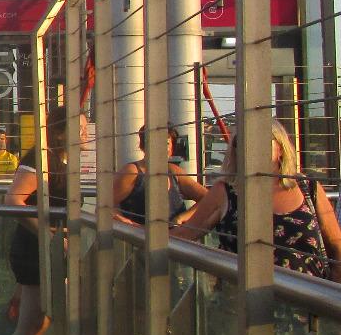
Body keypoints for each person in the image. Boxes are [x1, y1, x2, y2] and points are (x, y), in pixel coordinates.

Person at [173, 120, 341, 279]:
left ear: (281, 148)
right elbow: (184, 235)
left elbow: (336, 243)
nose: (251, 146)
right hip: (243, 302)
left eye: (261, 138)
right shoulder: (226, 192)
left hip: (309, 301)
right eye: (243, 141)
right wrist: (147, 233)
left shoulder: (307, 187)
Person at [0, 109, 69, 335]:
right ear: (59, 132)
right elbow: (14, 199)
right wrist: (49, 234)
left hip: (43, 249)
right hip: (35, 250)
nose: (85, 133)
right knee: (39, 322)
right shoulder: (40, 159)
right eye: (78, 127)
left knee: (36, 323)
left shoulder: (59, 161)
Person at [114, 126, 208, 222]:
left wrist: (181, 218)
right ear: (144, 146)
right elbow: (105, 208)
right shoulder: (132, 172)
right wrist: (131, 226)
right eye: (156, 142)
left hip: (175, 235)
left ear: (172, 148)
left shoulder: (174, 171)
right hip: (140, 235)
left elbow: (208, 198)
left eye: (166, 143)